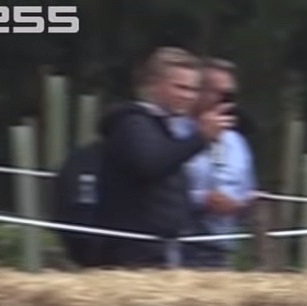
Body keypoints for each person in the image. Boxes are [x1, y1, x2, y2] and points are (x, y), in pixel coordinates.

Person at [94, 47, 233, 268]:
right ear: (153, 84)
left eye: (193, 90)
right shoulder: (132, 124)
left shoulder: (162, 127)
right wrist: (200, 138)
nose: (188, 96)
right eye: (180, 87)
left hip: (164, 251)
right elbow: (152, 164)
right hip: (133, 256)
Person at [176, 58, 256, 269]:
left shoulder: (237, 143)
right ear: (198, 92)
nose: (226, 100)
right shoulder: (173, 133)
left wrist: (242, 205)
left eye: (230, 94)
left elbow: (247, 192)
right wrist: (202, 200)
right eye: (218, 92)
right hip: (180, 245)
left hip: (222, 249)